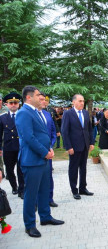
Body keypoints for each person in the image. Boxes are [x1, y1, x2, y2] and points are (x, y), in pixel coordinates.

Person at [15, 86, 64, 238]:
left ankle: (45, 216)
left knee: (44, 189)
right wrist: (45, 152)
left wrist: (49, 149)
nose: (40, 98)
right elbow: (28, 137)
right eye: (37, 95)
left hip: (43, 158)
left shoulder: (36, 112)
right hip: (32, 160)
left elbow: (42, 135)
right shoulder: (24, 113)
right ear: (29, 97)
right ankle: (29, 225)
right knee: (31, 194)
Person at [61, 94, 95, 200]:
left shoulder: (85, 113)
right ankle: (74, 190)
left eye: (83, 101)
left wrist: (91, 143)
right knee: (73, 168)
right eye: (80, 101)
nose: (82, 103)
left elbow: (89, 129)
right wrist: (68, 146)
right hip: (74, 147)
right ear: (74, 102)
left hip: (84, 145)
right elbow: (64, 131)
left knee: (83, 167)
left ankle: (83, 188)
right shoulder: (68, 114)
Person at [0, 93, 25, 198]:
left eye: (16, 103)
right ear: (7, 104)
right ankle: (14, 187)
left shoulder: (23, 116)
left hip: (21, 147)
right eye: (11, 103)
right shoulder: (2, 118)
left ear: (19, 104)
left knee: (21, 170)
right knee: (9, 170)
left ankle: (21, 190)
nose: (14, 105)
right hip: (8, 148)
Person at [40, 93, 58, 207]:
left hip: (48, 151)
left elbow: (52, 132)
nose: (43, 101)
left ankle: (49, 198)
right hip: (36, 153)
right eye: (41, 99)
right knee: (37, 178)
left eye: (45, 100)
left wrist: (50, 146)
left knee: (48, 177)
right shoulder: (30, 114)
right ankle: (38, 200)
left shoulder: (47, 114)